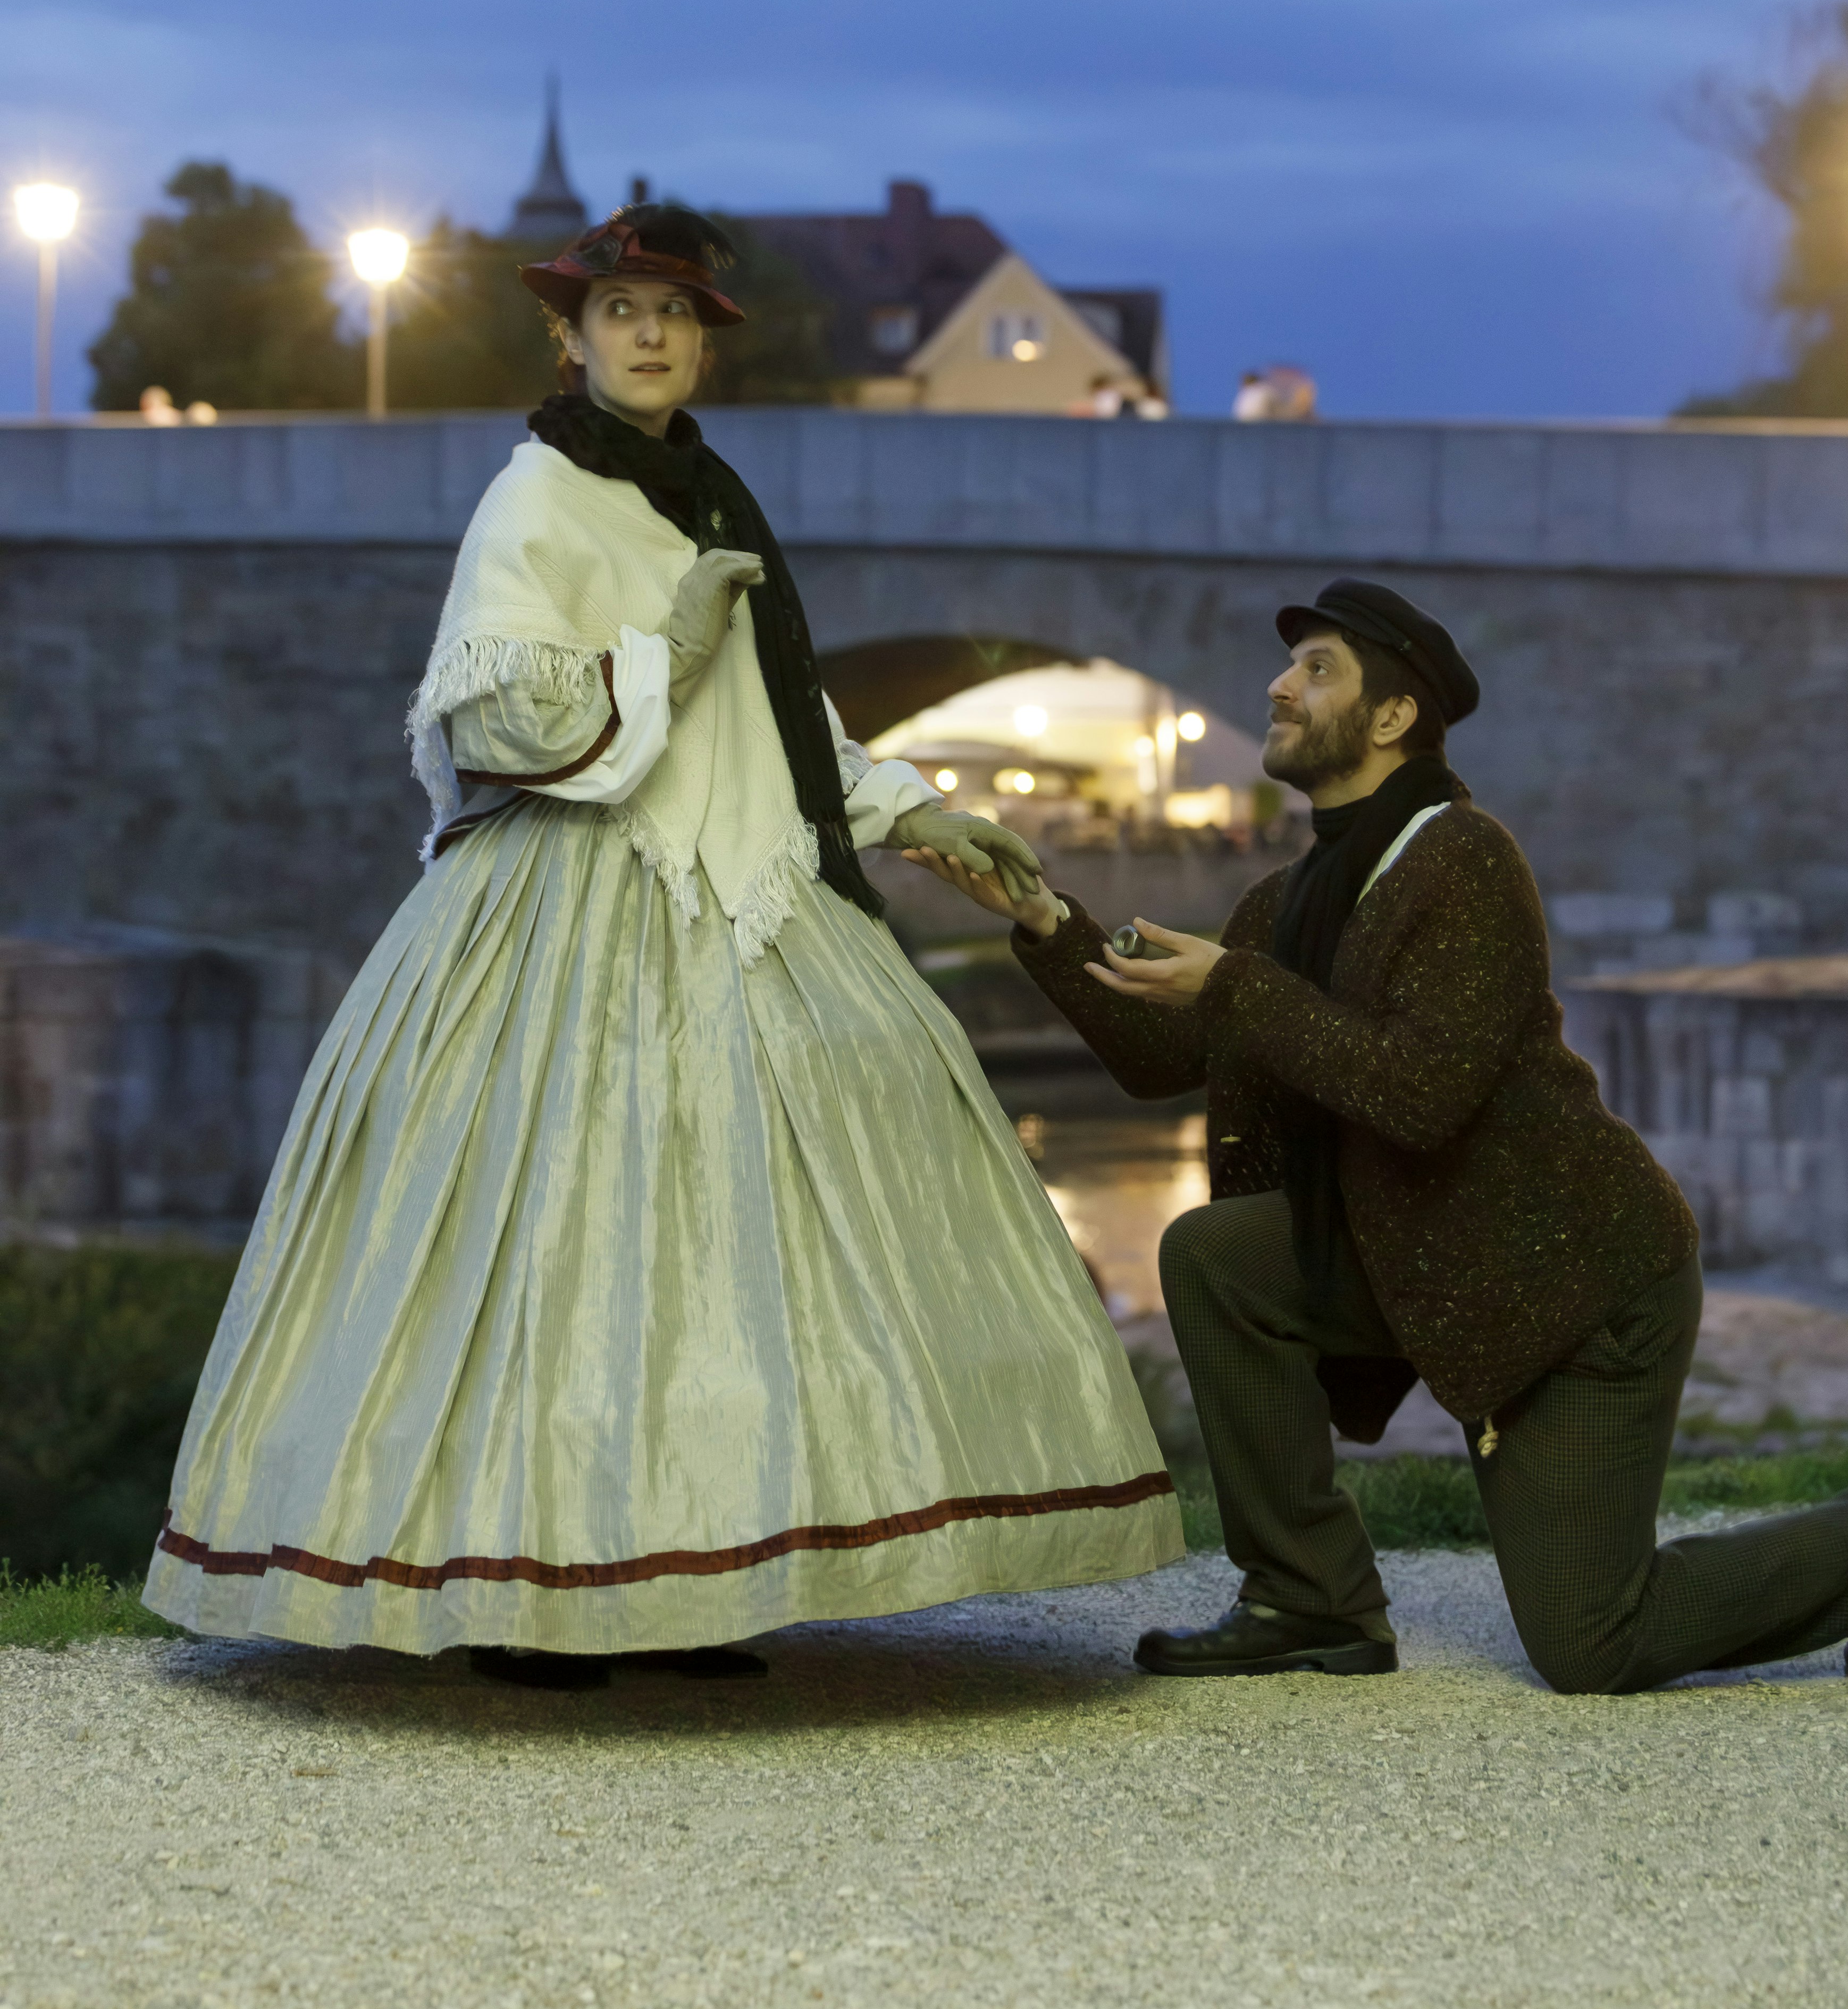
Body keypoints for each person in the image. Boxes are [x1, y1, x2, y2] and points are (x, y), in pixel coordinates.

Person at [145, 204, 1178, 1687]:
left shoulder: (710, 500)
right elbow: (496, 721)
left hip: (740, 901)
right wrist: (666, 650)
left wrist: (921, 813)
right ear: (569, 338)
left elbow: (786, 723)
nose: (649, 334)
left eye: (675, 316)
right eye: (623, 310)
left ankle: (697, 1576)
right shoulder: (535, 496)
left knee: (736, 1252)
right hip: (571, 907)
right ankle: (530, 1588)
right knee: (560, 1243)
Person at [915, 578, 1848, 1692]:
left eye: (1318, 668)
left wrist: (1242, 987)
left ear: (1393, 717)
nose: (1279, 687)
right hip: (1419, 1261)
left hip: (1572, 1289)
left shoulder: (1465, 863)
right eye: (1289, 667)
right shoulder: (1289, 900)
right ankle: (1307, 1598)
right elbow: (1163, 1058)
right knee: (1213, 1254)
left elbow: (1420, 1094)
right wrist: (1045, 919)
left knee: (1594, 1643)